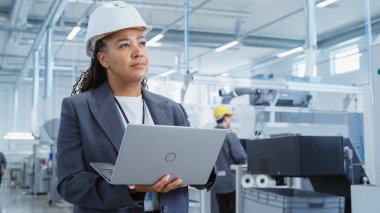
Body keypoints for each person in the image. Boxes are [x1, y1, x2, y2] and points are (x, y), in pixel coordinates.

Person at [56, 1, 215, 213]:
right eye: (124, 45)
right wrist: (131, 188)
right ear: (104, 59)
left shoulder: (172, 109)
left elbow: (199, 169)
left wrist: (200, 168)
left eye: (141, 43)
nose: (138, 52)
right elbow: (69, 183)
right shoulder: (78, 108)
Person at [212, 105, 247, 213]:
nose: (230, 119)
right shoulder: (229, 134)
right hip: (231, 182)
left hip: (216, 181)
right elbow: (240, 157)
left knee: (222, 209)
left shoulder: (211, 135)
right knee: (235, 209)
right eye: (230, 116)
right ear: (225, 117)